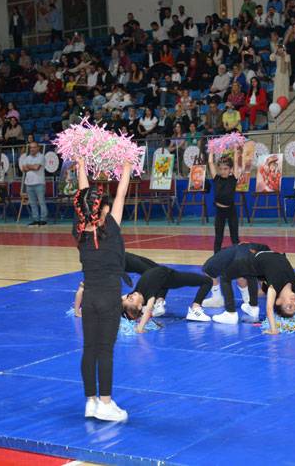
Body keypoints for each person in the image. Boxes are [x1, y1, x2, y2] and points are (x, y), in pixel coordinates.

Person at [74, 157, 133, 422]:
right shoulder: (112, 227)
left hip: (89, 300)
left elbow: (86, 196)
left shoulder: (80, 232)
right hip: (109, 298)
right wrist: (127, 168)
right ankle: (106, 404)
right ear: (104, 209)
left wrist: (80, 165)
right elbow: (121, 191)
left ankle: (90, 401)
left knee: (89, 348)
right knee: (105, 350)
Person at [220, 250, 295, 331]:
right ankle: (249, 295)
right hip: (273, 253)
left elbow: (269, 308)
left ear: (279, 301)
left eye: (289, 306)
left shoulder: (273, 288)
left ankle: (248, 296)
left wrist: (273, 329)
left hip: (253, 261)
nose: (294, 302)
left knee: (233, 274)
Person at [121, 265, 215, 332]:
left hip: (159, 276)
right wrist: (140, 327)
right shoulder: (149, 295)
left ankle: (159, 302)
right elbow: (148, 310)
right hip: (171, 278)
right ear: (140, 306)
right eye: (131, 299)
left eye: (128, 297)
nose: (130, 295)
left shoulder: (135, 293)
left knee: (160, 284)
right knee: (207, 281)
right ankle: (195, 308)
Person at [199, 242, 271, 309]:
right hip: (241, 251)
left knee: (241, 272)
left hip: (243, 251)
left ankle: (247, 299)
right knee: (208, 268)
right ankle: (218, 298)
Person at [208, 148, 241, 254]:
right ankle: (216, 257)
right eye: (221, 169)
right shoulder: (216, 178)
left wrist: (235, 149)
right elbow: (210, 162)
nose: (223, 171)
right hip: (219, 212)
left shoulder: (233, 178)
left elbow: (236, 161)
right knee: (218, 237)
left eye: (226, 169)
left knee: (234, 237)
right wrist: (212, 149)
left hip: (231, 211)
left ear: (230, 169)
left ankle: (238, 257)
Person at [21, 142, 47, 226]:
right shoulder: (27, 157)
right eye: (31, 147)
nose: (32, 149)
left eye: (34, 147)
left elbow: (37, 167)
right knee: (32, 203)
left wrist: (29, 166)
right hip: (29, 183)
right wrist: (31, 166)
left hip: (39, 183)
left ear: (38, 148)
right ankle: (35, 219)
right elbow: (23, 169)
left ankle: (43, 220)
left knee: (41, 202)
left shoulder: (41, 157)